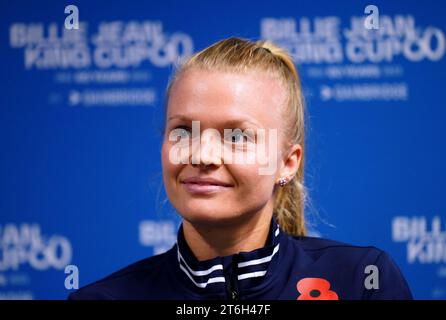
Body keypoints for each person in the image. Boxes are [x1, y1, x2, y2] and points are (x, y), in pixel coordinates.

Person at [69, 37, 412, 300]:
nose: (202, 155)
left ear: (287, 162)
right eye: (183, 130)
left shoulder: (364, 280)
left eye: (236, 136)